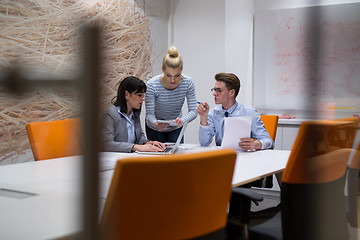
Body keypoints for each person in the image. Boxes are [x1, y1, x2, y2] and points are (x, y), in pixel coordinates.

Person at [197, 72, 274, 151]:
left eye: (218, 90)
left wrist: (256, 144)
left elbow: (269, 142)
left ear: (231, 92)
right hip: (223, 157)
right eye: (214, 90)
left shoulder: (249, 112)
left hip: (244, 158)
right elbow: (204, 143)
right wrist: (203, 118)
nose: (214, 93)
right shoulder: (213, 113)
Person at [145, 46, 198, 143]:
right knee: (156, 156)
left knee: (176, 156)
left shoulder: (188, 83)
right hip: (155, 128)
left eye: (177, 75)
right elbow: (149, 115)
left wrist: (182, 120)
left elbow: (193, 111)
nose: (172, 80)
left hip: (176, 127)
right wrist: (155, 123)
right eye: (168, 75)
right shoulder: (152, 85)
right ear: (163, 70)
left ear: (181, 70)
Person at [101, 76, 165, 153]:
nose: (143, 99)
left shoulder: (134, 113)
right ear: (126, 94)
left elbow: (139, 137)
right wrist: (136, 147)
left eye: (143, 95)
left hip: (130, 157)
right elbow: (106, 144)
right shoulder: (110, 114)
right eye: (139, 95)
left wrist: (148, 143)